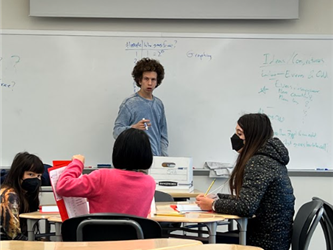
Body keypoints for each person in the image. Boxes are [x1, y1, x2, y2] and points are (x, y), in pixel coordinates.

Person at [195, 113, 295, 250]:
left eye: (240, 134)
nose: (235, 138)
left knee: (200, 243)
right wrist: (218, 198)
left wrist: (213, 204)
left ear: (253, 136)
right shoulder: (270, 159)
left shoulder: (259, 162)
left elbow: (246, 207)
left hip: (264, 242)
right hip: (274, 238)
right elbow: (250, 200)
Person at [56, 128, 156, 217]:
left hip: (99, 237)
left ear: (117, 151)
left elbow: (63, 186)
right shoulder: (150, 183)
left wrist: (77, 163)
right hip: (135, 237)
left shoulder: (101, 177)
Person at [113, 57, 168, 156]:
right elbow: (116, 132)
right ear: (139, 81)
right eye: (146, 79)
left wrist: (163, 158)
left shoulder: (158, 104)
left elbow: (163, 136)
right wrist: (133, 128)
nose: (150, 83)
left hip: (155, 160)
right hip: (135, 161)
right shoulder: (129, 103)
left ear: (157, 82)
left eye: (153, 79)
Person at [0, 152, 44, 240]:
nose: (36, 179)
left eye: (39, 176)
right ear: (18, 173)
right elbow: (13, 235)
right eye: (31, 174)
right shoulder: (9, 195)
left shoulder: (26, 194)